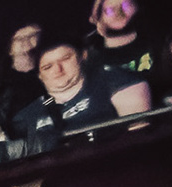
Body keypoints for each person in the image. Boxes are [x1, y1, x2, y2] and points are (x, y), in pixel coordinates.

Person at [10, 33, 152, 141]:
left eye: (65, 59)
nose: (58, 69)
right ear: (39, 75)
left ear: (82, 56)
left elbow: (139, 139)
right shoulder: (27, 117)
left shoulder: (116, 81)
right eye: (48, 67)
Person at [85, 0, 154, 76]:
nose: (119, 13)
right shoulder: (86, 55)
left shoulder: (156, 39)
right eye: (109, 10)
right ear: (98, 18)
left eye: (126, 5)